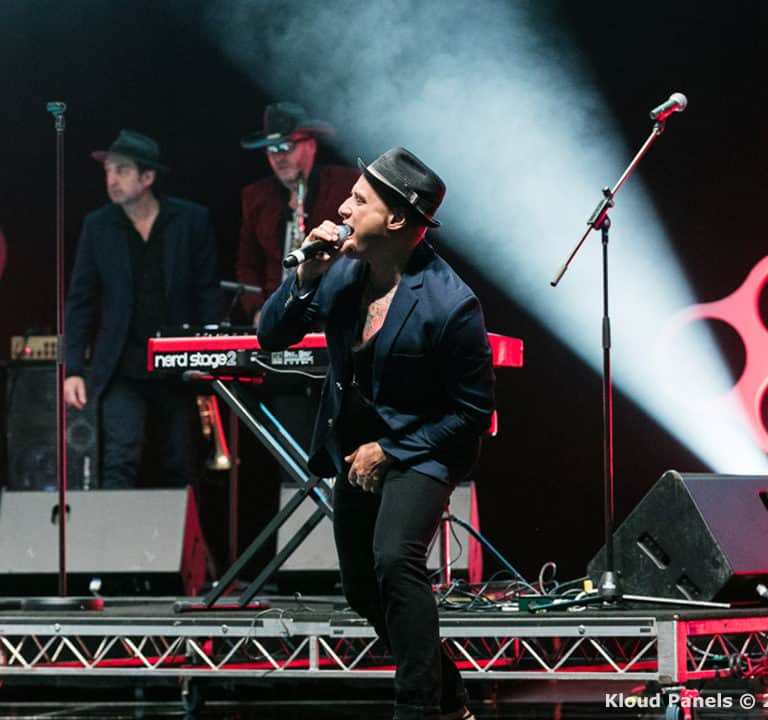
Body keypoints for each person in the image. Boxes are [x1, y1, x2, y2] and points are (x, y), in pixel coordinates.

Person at [258, 147, 493, 720]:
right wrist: (305, 278)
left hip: (425, 447)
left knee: (395, 561)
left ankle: (415, 707)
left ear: (396, 220)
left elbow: (473, 412)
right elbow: (271, 337)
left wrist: (392, 450)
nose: (341, 207)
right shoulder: (340, 273)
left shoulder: (451, 305)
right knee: (362, 587)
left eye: (358, 200)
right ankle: (450, 694)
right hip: (356, 450)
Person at [64, 129, 220, 489]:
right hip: (123, 363)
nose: (111, 179)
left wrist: (211, 355)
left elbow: (207, 293)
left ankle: (182, 545)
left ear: (147, 177)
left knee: (181, 461)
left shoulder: (190, 221)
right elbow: (80, 301)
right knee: (120, 459)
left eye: (121, 170)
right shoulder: (98, 226)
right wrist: (73, 367)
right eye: (108, 171)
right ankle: (113, 544)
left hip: (178, 363)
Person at [235, 101, 359, 322]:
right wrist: (257, 312)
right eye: (272, 150)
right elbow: (247, 266)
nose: (278, 157)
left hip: (338, 315)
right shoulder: (255, 196)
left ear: (310, 145)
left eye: (286, 147)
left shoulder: (348, 184)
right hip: (280, 316)